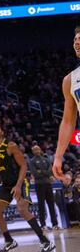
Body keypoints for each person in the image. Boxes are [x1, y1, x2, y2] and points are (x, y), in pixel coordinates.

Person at [0, 123, 55, 252]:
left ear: (2, 132)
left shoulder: (10, 146)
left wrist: (17, 185)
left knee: (22, 209)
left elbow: (23, 166)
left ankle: (45, 241)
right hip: (6, 185)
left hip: (20, 182)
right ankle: (9, 241)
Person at [53, 26, 80, 181]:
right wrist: (58, 157)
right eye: (75, 40)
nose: (77, 43)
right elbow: (68, 121)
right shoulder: (69, 80)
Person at [29, 145, 59, 230]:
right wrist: (46, 173)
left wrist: (41, 171)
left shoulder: (46, 159)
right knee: (41, 205)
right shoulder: (32, 161)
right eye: (34, 150)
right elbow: (35, 173)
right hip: (39, 184)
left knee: (51, 205)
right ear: (32, 152)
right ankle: (43, 225)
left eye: (37, 149)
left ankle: (55, 224)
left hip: (48, 184)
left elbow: (50, 170)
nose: (36, 151)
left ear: (40, 149)